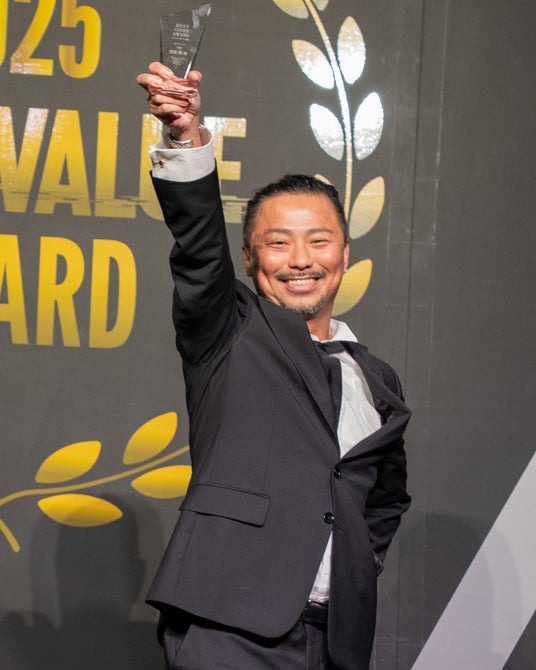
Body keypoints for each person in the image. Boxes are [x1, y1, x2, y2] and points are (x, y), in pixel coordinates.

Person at [137, 62, 411, 670]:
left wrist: (356, 568)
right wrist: (185, 136)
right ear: (249, 257)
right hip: (228, 627)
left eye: (319, 240)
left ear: (344, 253)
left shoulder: (377, 378)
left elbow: (385, 498)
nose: (300, 259)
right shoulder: (229, 330)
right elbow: (198, 248)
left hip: (335, 639)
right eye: (278, 242)